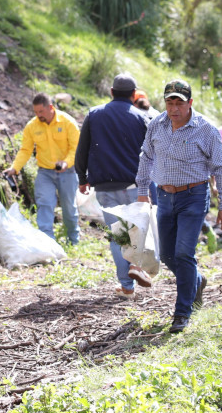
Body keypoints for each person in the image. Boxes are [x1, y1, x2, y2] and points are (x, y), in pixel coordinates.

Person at [136, 80, 222, 334]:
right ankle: (196, 281)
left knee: (183, 254)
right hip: (164, 196)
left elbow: (220, 168)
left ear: (190, 103)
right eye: (170, 102)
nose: (174, 108)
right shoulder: (157, 124)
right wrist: (141, 190)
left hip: (194, 196)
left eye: (180, 102)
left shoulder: (205, 129)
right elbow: (146, 156)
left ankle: (182, 313)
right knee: (167, 254)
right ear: (164, 102)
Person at [74, 74, 151, 297]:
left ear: (111, 91)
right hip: (133, 186)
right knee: (136, 234)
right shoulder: (141, 117)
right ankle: (139, 269)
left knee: (119, 238)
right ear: (134, 94)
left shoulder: (94, 114)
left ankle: (127, 286)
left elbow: (82, 149)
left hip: (105, 187)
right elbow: (150, 153)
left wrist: (82, 178)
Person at [4, 93, 81, 245]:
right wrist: (15, 168)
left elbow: (76, 148)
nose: (38, 115)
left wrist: (66, 163)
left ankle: (73, 240)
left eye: (41, 112)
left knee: (69, 209)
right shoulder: (32, 126)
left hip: (68, 172)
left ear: (51, 108)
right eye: (36, 112)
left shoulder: (67, 122)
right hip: (45, 172)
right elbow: (25, 150)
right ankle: (47, 242)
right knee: (44, 204)